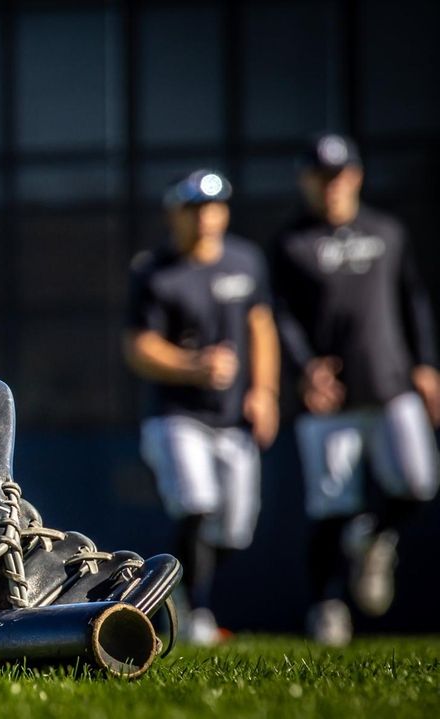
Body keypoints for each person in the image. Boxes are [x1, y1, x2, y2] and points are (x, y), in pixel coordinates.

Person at [270, 133, 440, 646]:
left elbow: (412, 299)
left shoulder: (387, 231)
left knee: (418, 484)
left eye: (340, 175)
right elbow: (281, 318)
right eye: (320, 177)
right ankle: (327, 606)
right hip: (331, 399)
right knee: (330, 507)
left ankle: (374, 536)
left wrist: (426, 364)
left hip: (390, 385)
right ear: (306, 182)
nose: (331, 186)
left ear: (357, 177)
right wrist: (305, 369)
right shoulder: (291, 243)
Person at [124, 170, 280, 646]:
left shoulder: (244, 260)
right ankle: (197, 612)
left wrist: (266, 392)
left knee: (234, 530)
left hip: (232, 418)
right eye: (194, 209)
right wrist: (194, 365)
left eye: (213, 207)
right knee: (196, 503)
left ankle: (180, 595)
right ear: (176, 214)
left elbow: (261, 327)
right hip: (177, 416)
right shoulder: (156, 270)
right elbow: (139, 347)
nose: (205, 218)